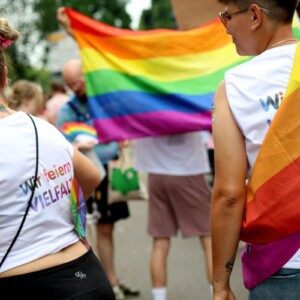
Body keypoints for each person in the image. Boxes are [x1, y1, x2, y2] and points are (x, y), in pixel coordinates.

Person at [0, 17, 115, 299]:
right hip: (90, 276)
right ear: (3, 76)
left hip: (27, 284)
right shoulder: (42, 128)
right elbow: (91, 177)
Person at [211, 1, 300, 300]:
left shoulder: (236, 86)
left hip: (284, 266)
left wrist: (220, 285)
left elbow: (229, 195)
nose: (226, 29)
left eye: (227, 17)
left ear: (254, 15)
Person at [56, 57, 139, 299]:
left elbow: (122, 127)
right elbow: (62, 145)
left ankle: (112, 281)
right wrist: (78, 145)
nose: (75, 87)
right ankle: (102, 285)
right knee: (88, 232)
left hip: (109, 172)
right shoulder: (67, 111)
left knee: (106, 229)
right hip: (84, 177)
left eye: (78, 81)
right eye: (70, 84)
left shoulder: (105, 101)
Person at [135, 132, 213, 300]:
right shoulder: (188, 105)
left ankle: (159, 297)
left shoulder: (151, 106)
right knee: (209, 239)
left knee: (160, 241)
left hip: (156, 174)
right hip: (188, 170)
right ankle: (218, 294)